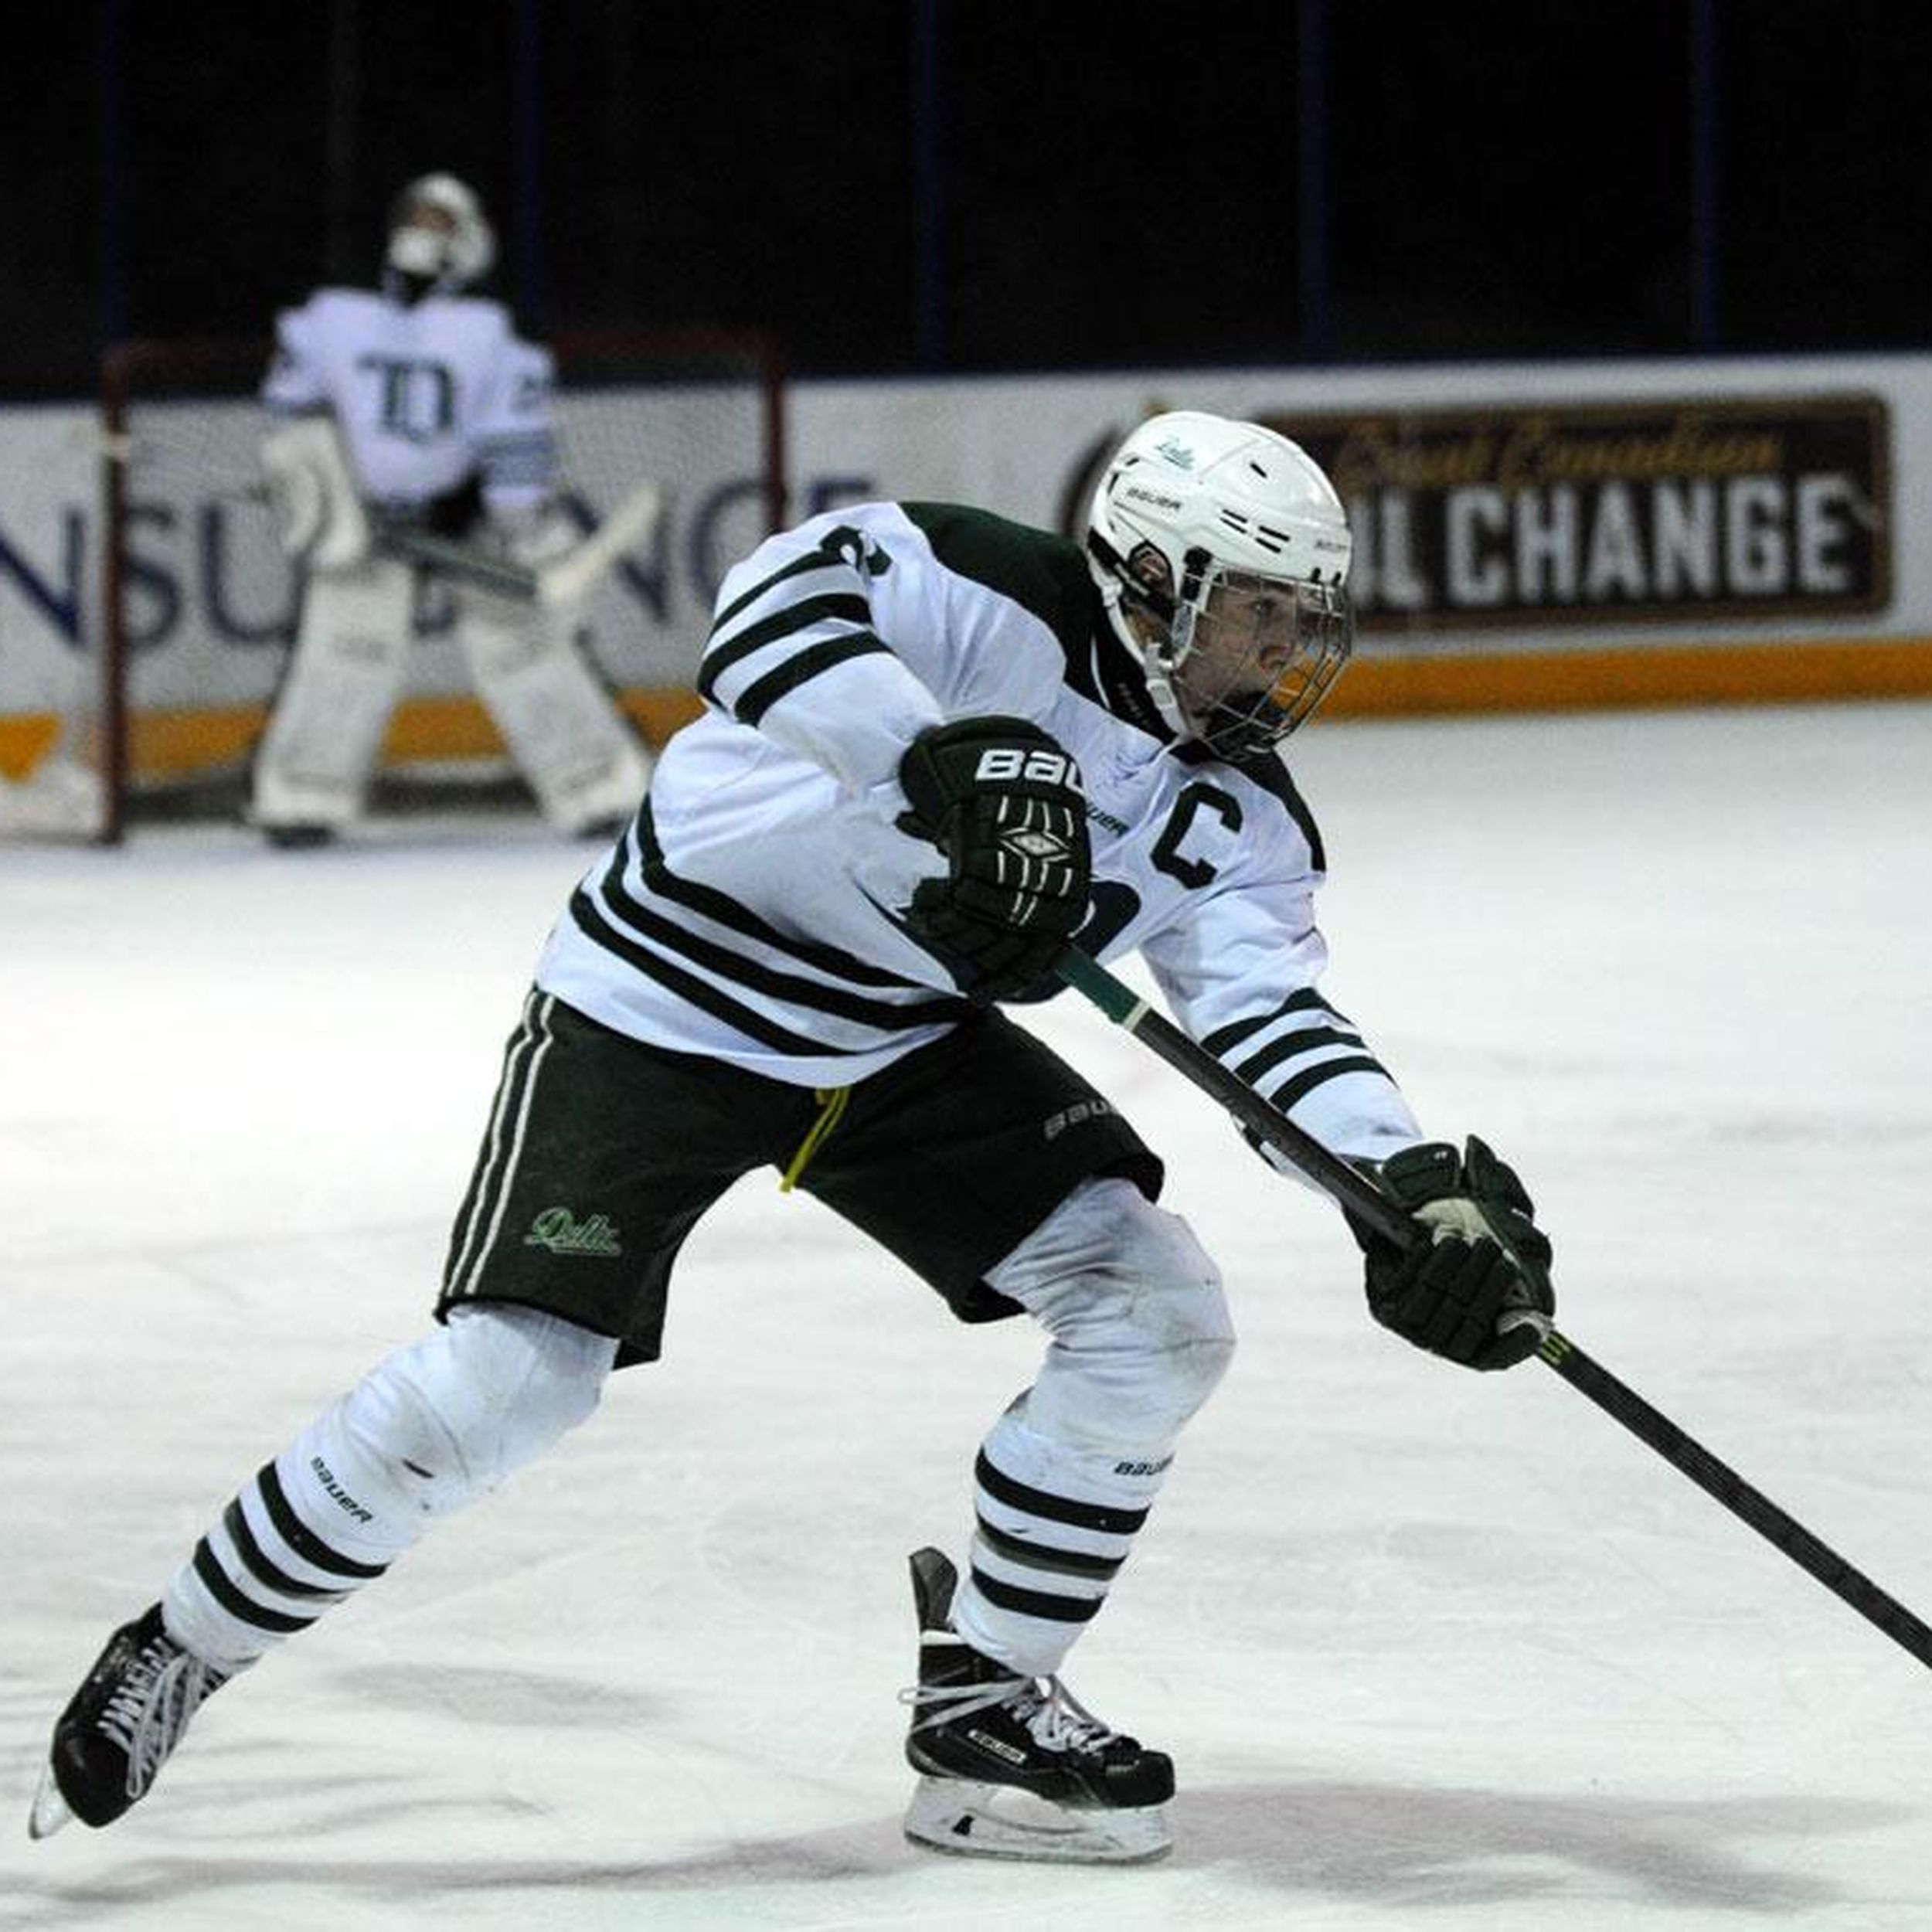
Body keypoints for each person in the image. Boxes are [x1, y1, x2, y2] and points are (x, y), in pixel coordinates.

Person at [30, 410, 1554, 1864]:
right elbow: (759, 616)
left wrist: (1400, 1184)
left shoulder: (1231, 814)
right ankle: (184, 1640)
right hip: (668, 994)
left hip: (895, 1044)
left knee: (1154, 1307)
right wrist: (930, 754)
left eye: (1307, 620)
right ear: (1152, 582)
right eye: (1260, 614)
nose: (1288, 654)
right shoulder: (972, 586)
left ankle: (982, 1711)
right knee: (511, 1378)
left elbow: (1269, 1022)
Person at [249, 171, 651, 845]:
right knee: (346, 652)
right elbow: (295, 416)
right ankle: (299, 801)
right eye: (419, 216)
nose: (423, 231)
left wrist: (512, 520)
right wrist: (328, 489)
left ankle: (598, 790)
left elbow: (510, 437)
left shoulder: (430, 319)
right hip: (365, 519)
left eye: (439, 219)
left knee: (524, 652)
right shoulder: (368, 312)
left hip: (467, 520)